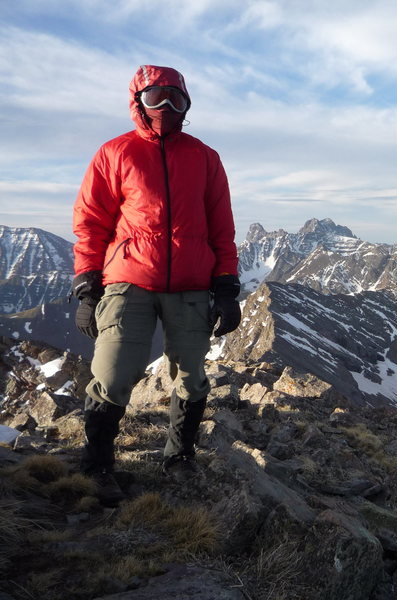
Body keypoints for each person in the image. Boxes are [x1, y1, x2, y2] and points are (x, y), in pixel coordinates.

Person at [71, 65, 240, 505]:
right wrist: (88, 290)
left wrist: (226, 289)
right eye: (155, 97)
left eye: (175, 99)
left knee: (192, 375)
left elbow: (222, 230)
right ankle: (97, 466)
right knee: (113, 374)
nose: (165, 107)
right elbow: (90, 224)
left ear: (187, 105)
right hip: (129, 280)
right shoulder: (115, 153)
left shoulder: (205, 157)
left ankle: (179, 456)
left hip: (190, 284)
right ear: (137, 102)